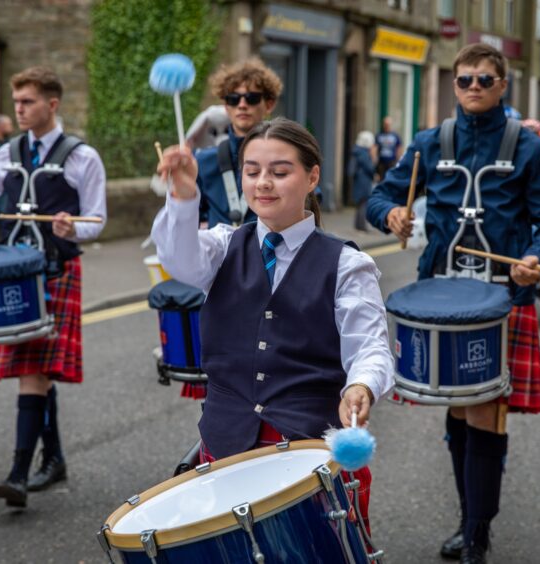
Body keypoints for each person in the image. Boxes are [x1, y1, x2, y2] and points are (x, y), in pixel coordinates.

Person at [367, 43, 540, 563]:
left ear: (503, 86)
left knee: (483, 410)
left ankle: (477, 534)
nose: (473, 88)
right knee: (458, 411)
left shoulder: (529, 147)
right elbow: (378, 198)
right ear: (453, 85)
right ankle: (469, 519)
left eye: (484, 79)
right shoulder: (431, 142)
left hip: (500, 297)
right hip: (440, 297)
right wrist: (392, 215)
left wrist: (535, 256)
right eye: (464, 80)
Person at [152, 117, 394, 533]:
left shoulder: (349, 264)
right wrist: (184, 193)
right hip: (226, 442)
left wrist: (362, 385)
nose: (263, 182)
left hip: (309, 449)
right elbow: (177, 257)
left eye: (280, 172)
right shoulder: (224, 245)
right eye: (252, 172)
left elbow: (370, 345)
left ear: (312, 176)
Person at [0, 66, 107, 508]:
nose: (19, 109)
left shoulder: (83, 156)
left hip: (56, 272)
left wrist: (72, 227)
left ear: (52, 104)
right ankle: (54, 457)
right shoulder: (8, 151)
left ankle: (19, 473)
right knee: (37, 372)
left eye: (27, 102)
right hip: (13, 277)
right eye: (16, 101)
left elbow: (97, 221)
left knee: (32, 371)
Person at [196, 58, 282, 228]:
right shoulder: (203, 161)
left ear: (269, 104)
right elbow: (191, 218)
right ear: (226, 106)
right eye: (234, 99)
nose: (242, 105)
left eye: (252, 98)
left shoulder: (287, 158)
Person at [349, 130, 376, 232]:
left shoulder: (356, 151)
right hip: (364, 181)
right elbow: (370, 167)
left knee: (360, 203)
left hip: (358, 180)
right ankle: (362, 226)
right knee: (364, 202)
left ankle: (358, 225)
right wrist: (373, 159)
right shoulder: (364, 153)